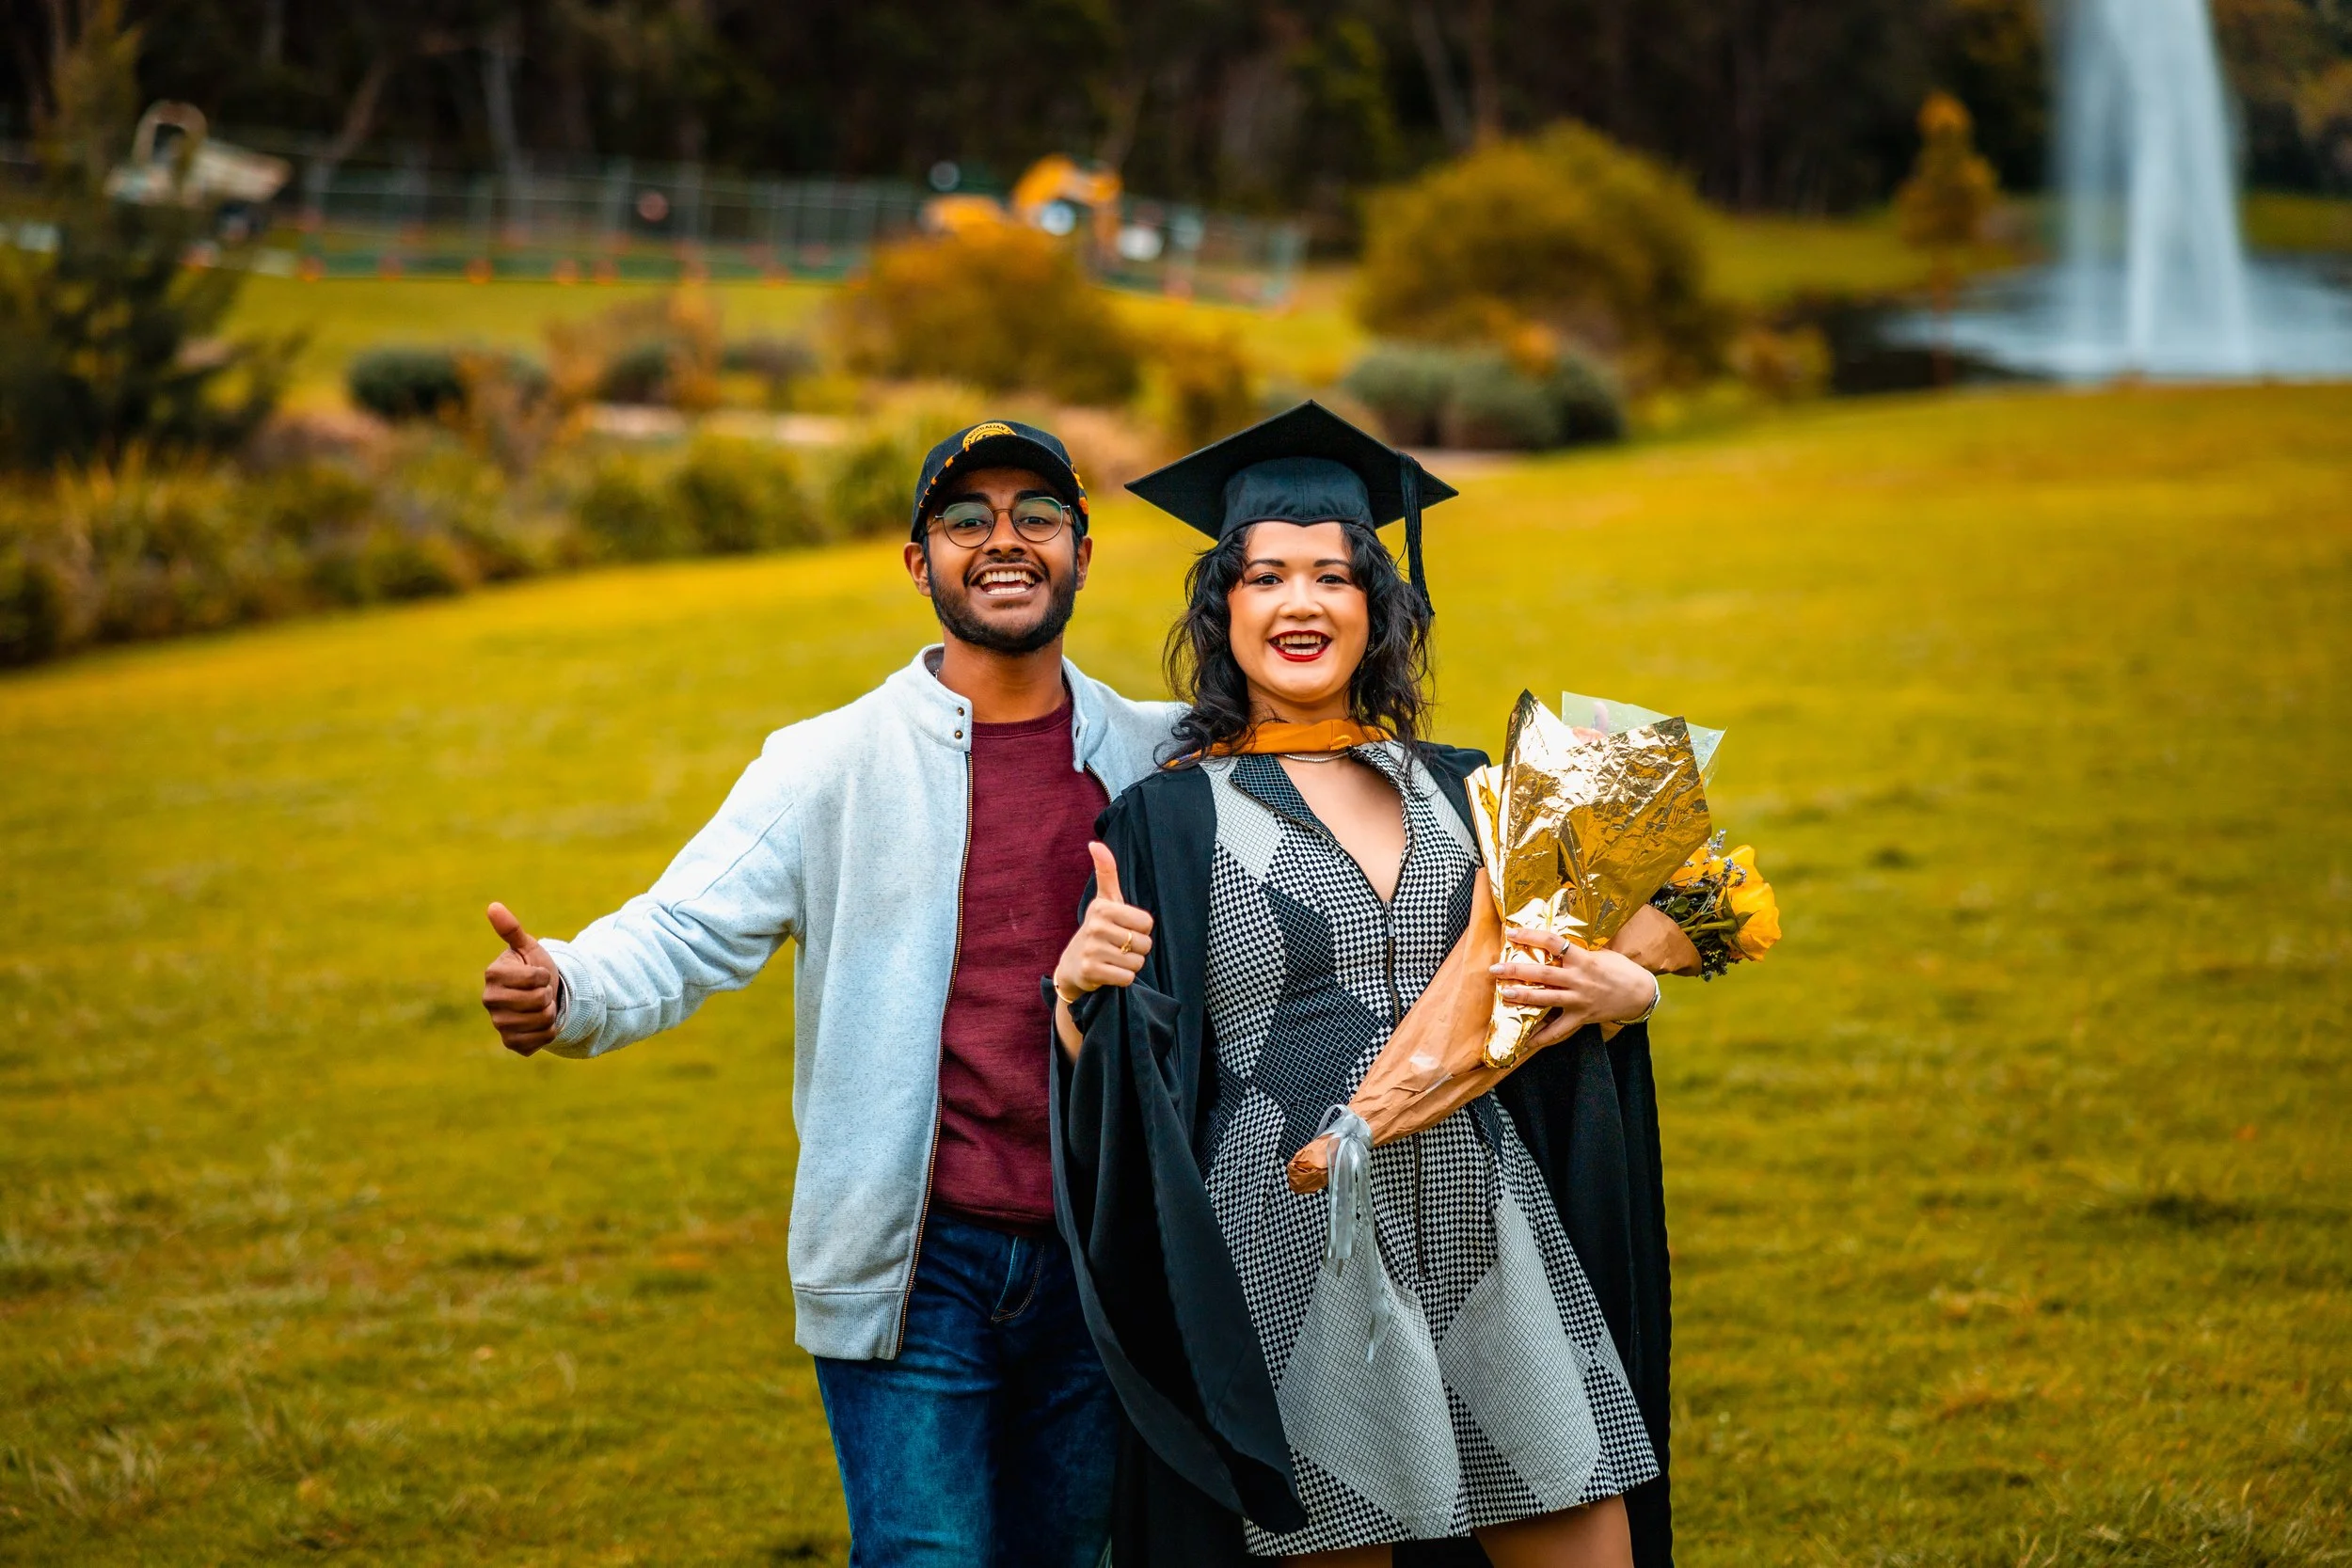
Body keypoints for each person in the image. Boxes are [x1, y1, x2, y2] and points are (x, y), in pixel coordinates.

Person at [477, 419, 1180, 1568]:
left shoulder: (1155, 758)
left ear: (1083, 551)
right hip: (915, 1261)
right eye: (965, 520)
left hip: (1100, 1254)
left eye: (1036, 515)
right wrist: (567, 986)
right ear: (920, 563)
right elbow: (683, 925)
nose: (1003, 542)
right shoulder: (829, 761)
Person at [1046, 403, 1692, 1567]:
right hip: (1285, 1243)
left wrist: (1625, 993)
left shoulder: (1481, 792)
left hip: (1484, 1224)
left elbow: (1559, 981)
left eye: (1334, 577)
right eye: (1267, 577)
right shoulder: (1163, 819)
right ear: (1223, 608)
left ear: (1378, 607)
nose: (1302, 603)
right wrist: (1072, 994)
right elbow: (1131, 1083)